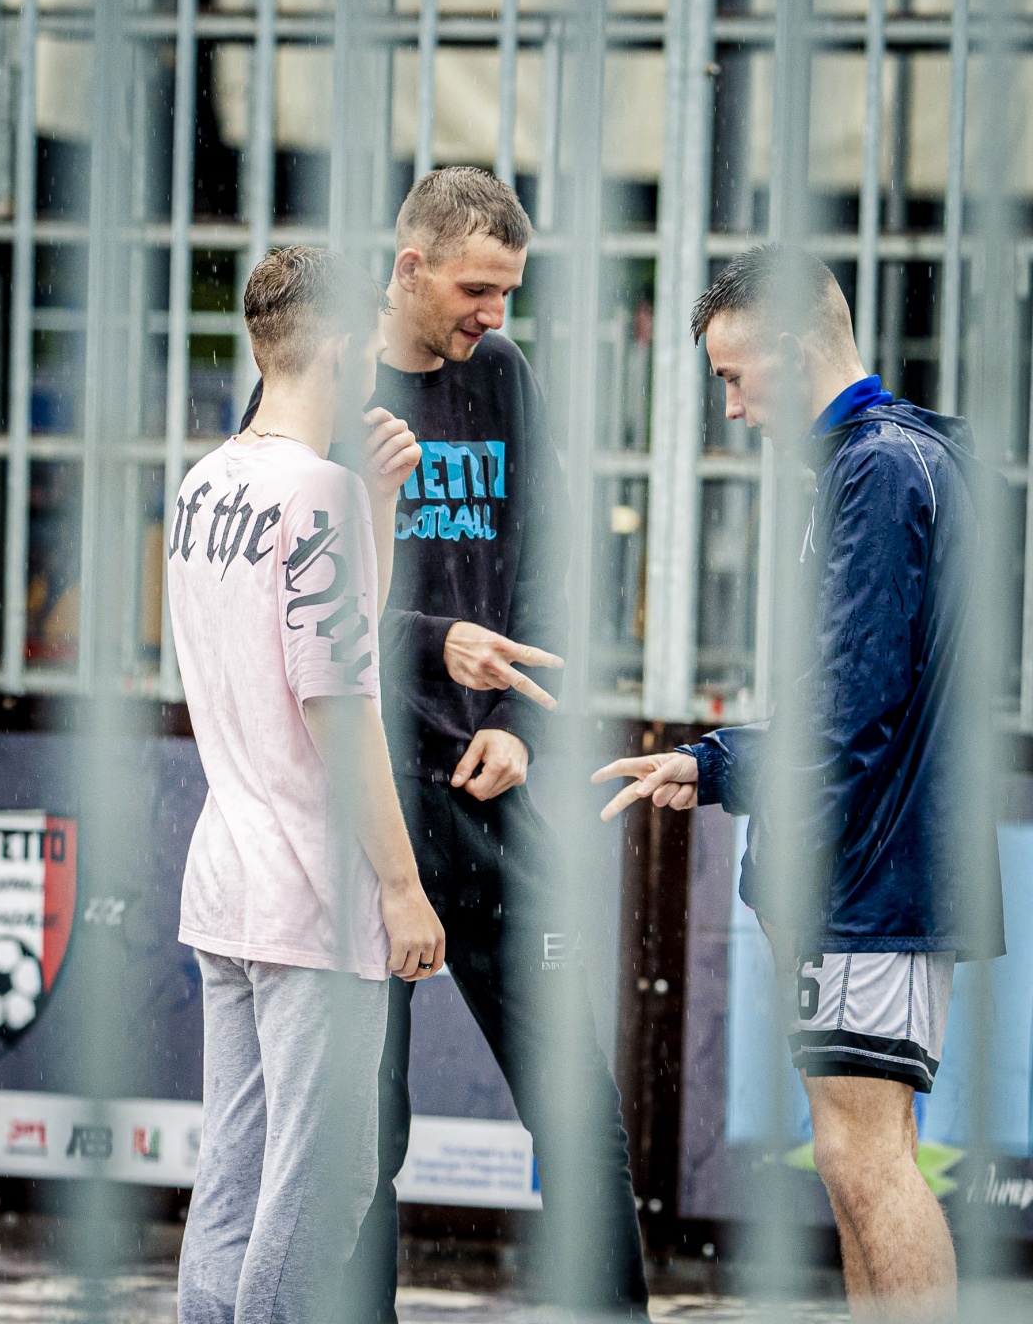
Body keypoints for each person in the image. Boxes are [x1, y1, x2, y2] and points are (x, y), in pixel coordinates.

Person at [240, 168, 649, 1321]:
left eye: (509, 290)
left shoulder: (504, 373)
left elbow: (554, 573)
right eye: (476, 289)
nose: (494, 313)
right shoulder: (326, 380)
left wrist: (520, 728)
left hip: (485, 793)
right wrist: (434, 639)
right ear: (409, 267)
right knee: (362, 1133)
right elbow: (281, 602)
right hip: (366, 801)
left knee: (578, 1109)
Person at [594, 244, 1005, 1322]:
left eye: (735, 376)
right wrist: (713, 763)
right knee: (858, 1156)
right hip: (884, 864)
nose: (732, 407)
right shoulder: (898, 456)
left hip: (869, 875)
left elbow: (852, 708)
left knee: (867, 1160)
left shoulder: (877, 467)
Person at [170, 246, 446, 1324]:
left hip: (229, 879)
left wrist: (375, 504)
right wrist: (402, 885)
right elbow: (339, 701)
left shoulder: (206, 483)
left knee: (235, 1181)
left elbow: (333, 643)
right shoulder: (314, 491)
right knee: (321, 1189)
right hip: (312, 897)